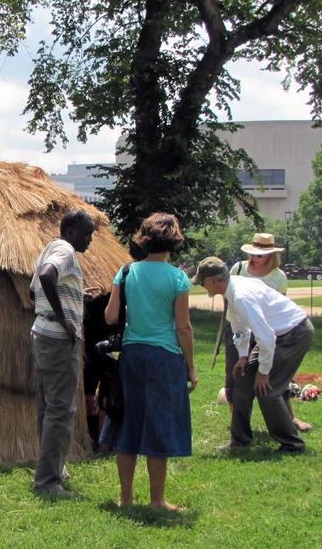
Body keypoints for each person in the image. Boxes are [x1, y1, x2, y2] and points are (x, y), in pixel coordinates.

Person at [100, 213, 196, 511]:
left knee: (128, 422)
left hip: (132, 355)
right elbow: (183, 327)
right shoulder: (177, 277)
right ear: (174, 241)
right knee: (159, 423)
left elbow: (110, 317)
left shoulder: (126, 272)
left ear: (144, 238)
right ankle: (157, 500)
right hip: (165, 357)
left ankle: (125, 498)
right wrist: (190, 367)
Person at [196, 256, 315, 453]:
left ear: (213, 281)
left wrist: (263, 372)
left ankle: (292, 444)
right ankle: (240, 439)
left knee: (267, 389)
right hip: (274, 335)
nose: (202, 286)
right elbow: (239, 326)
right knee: (242, 379)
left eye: (202, 282)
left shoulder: (242, 296)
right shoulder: (232, 290)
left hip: (294, 333)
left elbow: (267, 337)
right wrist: (243, 356)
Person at [29, 209, 96, 496]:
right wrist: (64, 317)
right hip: (57, 339)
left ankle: (53, 468)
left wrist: (75, 297)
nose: (90, 239)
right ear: (70, 231)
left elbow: (34, 293)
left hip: (42, 335)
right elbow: (46, 277)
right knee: (61, 410)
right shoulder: (66, 250)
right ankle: (47, 482)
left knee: (48, 407)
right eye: (86, 233)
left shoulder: (50, 248)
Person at [224, 233, 311, 432]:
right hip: (242, 328)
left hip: (268, 330)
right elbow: (234, 313)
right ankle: (237, 426)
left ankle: (289, 421)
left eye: (261, 254)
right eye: (254, 253)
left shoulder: (278, 276)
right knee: (236, 374)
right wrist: (243, 352)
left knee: (273, 377)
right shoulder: (238, 269)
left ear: (272, 254)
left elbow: (278, 312)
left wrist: (263, 370)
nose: (256, 257)